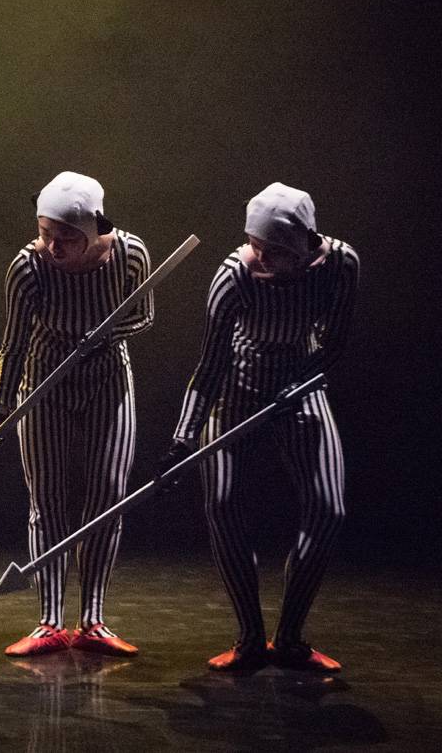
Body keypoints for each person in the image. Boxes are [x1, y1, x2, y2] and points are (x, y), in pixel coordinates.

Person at [160, 182, 358, 672]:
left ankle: (290, 638)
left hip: (301, 389)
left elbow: (335, 343)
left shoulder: (340, 264)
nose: (259, 257)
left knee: (328, 509)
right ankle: (250, 638)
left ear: (304, 245)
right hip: (237, 393)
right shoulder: (233, 277)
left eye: (273, 251)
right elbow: (209, 366)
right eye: (254, 244)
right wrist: (182, 439)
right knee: (222, 504)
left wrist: (304, 380)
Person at [0, 172, 152, 659]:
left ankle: (93, 620)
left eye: (66, 238)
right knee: (48, 502)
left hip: (107, 381)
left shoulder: (129, 254)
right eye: (44, 233)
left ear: (94, 231)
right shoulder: (28, 267)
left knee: (107, 498)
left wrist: (104, 335)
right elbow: (12, 343)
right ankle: (50, 621)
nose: (52, 247)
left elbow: (144, 315)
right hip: (43, 386)